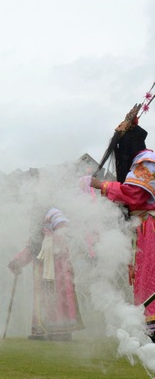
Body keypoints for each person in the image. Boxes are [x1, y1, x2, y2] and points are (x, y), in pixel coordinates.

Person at [91, 120, 155, 340]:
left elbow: (134, 194)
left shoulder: (147, 161)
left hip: (151, 227)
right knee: (143, 278)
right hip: (143, 227)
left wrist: (102, 185)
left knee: (150, 277)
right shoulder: (141, 161)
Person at [8, 207, 83, 341]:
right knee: (43, 298)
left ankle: (62, 331)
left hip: (58, 265)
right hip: (43, 265)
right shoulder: (39, 221)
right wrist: (18, 261)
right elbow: (33, 246)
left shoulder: (53, 213)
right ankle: (43, 330)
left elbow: (64, 232)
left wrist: (50, 238)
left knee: (60, 296)